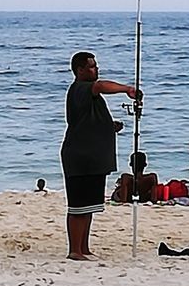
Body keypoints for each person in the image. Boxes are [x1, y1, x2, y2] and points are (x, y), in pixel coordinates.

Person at [60, 51, 141, 261]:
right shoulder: (81, 89)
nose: (96, 69)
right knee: (78, 206)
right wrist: (127, 89)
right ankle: (74, 250)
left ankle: (84, 248)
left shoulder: (88, 96)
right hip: (80, 156)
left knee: (89, 206)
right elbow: (101, 86)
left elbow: (87, 120)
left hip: (93, 157)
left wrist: (109, 126)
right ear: (80, 70)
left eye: (96, 66)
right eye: (92, 66)